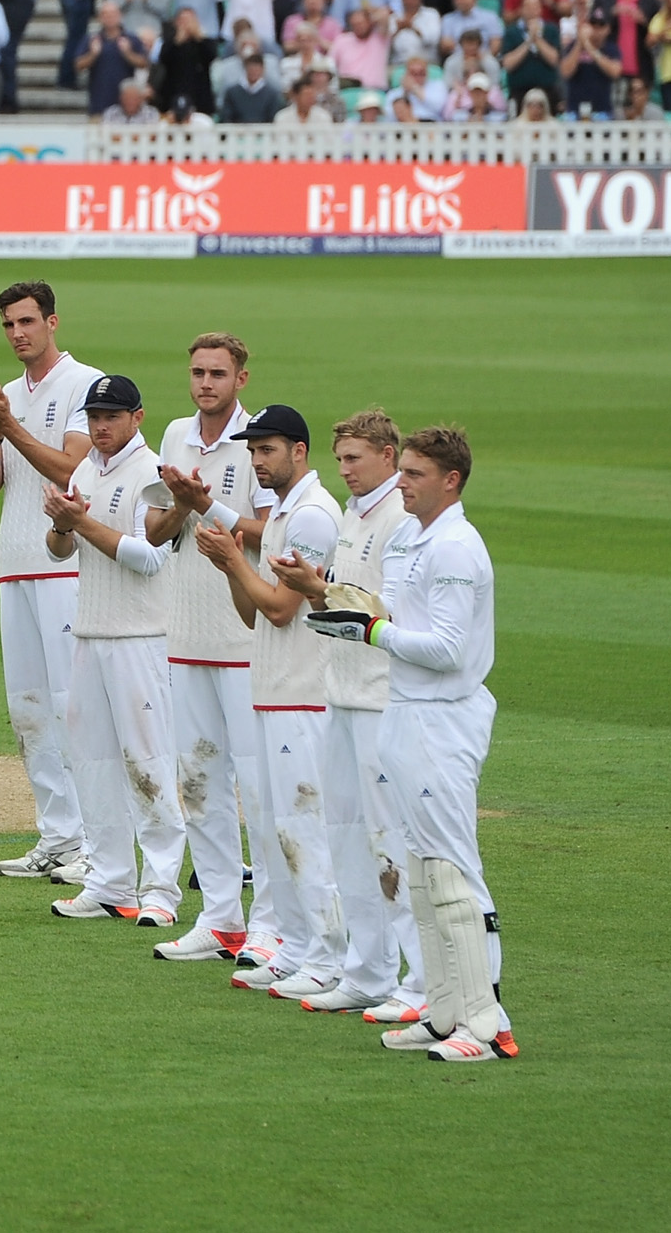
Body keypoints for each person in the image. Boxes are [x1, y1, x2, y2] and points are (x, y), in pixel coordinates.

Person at [301, 425, 517, 1062]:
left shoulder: (456, 547)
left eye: (417, 474)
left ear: (451, 481)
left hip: (444, 719)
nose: (404, 483)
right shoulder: (406, 538)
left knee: (452, 872)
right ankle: (444, 1010)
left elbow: (447, 650)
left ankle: (487, 1022)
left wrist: (370, 633)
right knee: (419, 869)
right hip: (401, 710)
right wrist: (333, 599)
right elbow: (388, 610)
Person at [275, 410, 426, 1021]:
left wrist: (321, 590)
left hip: (381, 700)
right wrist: (315, 587)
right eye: (340, 460)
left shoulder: (401, 521)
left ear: (388, 456)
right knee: (344, 835)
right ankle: (367, 973)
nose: (345, 470)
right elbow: (342, 601)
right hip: (339, 692)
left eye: (355, 459)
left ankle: (420, 985)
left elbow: (388, 610)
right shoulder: (352, 514)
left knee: (391, 840)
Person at [192, 403, 346, 1002]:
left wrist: (234, 559)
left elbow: (284, 610)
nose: (257, 461)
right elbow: (253, 610)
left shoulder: (310, 516)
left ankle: (328, 958)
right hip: (276, 689)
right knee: (283, 826)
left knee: (305, 828)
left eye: (268, 450)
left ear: (299, 451)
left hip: (305, 695)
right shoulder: (282, 515)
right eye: (253, 452)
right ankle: (300, 950)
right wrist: (232, 568)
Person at [39, 371, 189, 927]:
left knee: (147, 763)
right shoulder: (83, 469)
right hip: (91, 635)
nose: (101, 427)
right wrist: (61, 526)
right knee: (95, 764)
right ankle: (109, 883)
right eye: (94, 418)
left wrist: (82, 524)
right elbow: (59, 552)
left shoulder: (153, 475)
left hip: (140, 640)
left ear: (137, 418)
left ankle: (161, 891)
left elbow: (150, 557)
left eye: (112, 417)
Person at [0, 282, 96, 883]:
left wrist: (7, 425)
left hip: (65, 564)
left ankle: (97, 839)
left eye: (26, 322)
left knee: (74, 708)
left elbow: (71, 470)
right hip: (13, 563)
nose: (17, 333)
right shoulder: (7, 396)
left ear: (52, 322)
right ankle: (59, 835)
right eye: (8, 325)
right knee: (30, 709)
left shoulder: (86, 385)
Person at [140, 332, 268, 964]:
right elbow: (156, 528)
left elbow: (272, 533)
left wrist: (207, 504)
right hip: (184, 632)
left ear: (242, 378)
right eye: (197, 372)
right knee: (199, 782)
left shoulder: (260, 445)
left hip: (245, 637)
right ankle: (221, 920)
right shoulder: (173, 435)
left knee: (261, 785)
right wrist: (179, 505)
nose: (206, 383)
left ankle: (273, 927)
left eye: (219, 373)